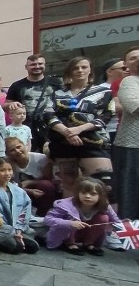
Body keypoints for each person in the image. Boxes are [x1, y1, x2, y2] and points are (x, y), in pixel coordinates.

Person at [43, 56, 113, 199]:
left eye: (84, 67)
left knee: (105, 184)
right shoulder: (57, 94)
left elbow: (106, 116)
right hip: (63, 142)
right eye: (76, 68)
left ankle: (106, 221)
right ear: (69, 71)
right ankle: (71, 219)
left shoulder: (104, 92)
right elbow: (48, 115)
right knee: (69, 183)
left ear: (90, 71)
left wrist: (78, 130)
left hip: (93, 141)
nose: (80, 70)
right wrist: (67, 133)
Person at [44, 178, 119, 256]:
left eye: (93, 194)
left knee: (104, 218)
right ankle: (70, 243)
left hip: (86, 232)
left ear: (100, 196)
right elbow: (48, 219)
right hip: (66, 234)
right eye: (83, 193)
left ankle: (88, 243)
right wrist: (70, 223)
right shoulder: (66, 205)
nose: (87, 196)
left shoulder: (104, 206)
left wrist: (125, 224)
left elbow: (116, 220)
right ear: (78, 193)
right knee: (71, 217)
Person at [5, 54, 62, 152]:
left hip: (53, 129)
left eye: (40, 64)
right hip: (26, 130)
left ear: (45, 65)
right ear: (26, 67)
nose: (37, 66)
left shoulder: (57, 83)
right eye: (33, 64)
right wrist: (10, 105)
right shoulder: (17, 85)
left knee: (52, 161)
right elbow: (5, 105)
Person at [0, 158, 40, 254]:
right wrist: (11, 231)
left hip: (17, 228)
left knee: (34, 247)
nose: (7, 173)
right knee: (16, 248)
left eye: (9, 170)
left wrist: (18, 230)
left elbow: (25, 210)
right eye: (2, 170)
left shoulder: (18, 190)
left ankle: (16, 237)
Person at [113, 46, 139, 221]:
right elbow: (133, 106)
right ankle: (130, 230)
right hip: (132, 145)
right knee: (130, 190)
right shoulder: (129, 82)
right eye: (133, 58)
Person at [4, 137, 56, 217]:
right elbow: (10, 184)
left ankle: (43, 214)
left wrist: (29, 182)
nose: (17, 151)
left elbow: (49, 180)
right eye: (12, 150)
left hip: (41, 190)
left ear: (24, 145)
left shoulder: (42, 159)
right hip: (22, 191)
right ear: (8, 154)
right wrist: (29, 191)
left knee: (46, 185)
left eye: (18, 147)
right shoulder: (8, 163)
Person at [98, 58, 128, 143]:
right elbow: (114, 108)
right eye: (123, 68)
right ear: (110, 72)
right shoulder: (100, 90)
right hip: (112, 130)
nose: (127, 70)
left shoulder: (132, 84)